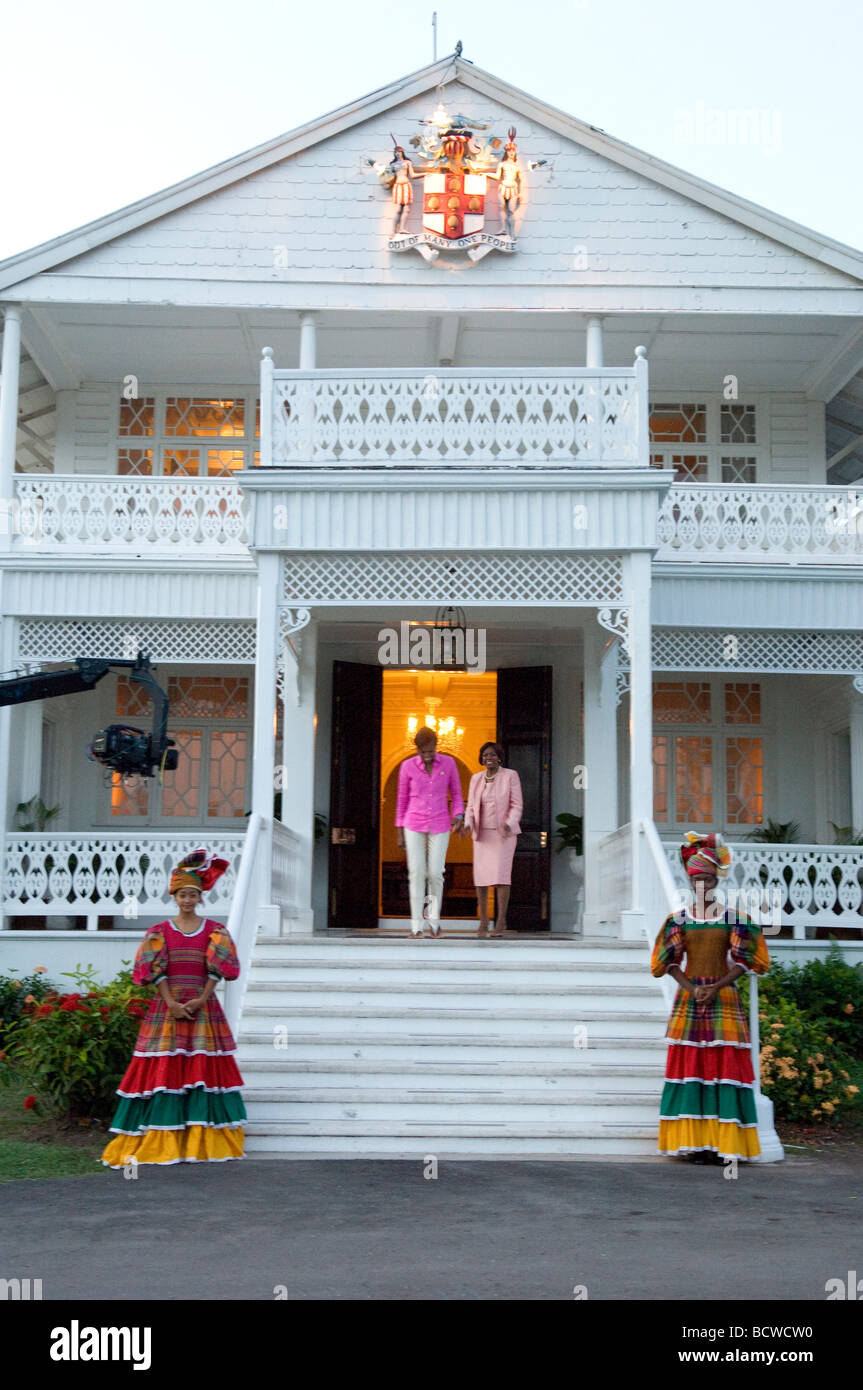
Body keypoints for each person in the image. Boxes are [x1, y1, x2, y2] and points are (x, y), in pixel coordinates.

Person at [100, 848, 246, 1168]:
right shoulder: (160, 932)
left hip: (202, 1006)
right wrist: (170, 1003)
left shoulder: (215, 931)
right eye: (182, 894)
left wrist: (202, 999)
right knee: (165, 1068)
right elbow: (152, 971)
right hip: (168, 1007)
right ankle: (162, 1137)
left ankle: (199, 1139)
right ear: (174, 896)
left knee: (200, 1070)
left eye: (193, 894)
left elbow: (219, 971)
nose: (188, 899)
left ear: (200, 897)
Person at [650, 832, 769, 1164]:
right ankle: (696, 1144)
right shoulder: (679, 920)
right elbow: (665, 964)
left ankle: (723, 1146)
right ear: (689, 882)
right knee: (693, 1070)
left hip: (723, 998)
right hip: (691, 1001)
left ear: (716, 879)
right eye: (695, 880)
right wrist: (692, 988)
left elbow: (749, 963)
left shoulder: (734, 919)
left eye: (706, 879)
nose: (701, 885)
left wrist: (714, 987)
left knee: (723, 1070)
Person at [396, 727, 464, 937]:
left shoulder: (448, 764)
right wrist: (399, 831)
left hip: (440, 822)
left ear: (436, 746)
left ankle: (434, 922)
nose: (427, 755)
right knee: (416, 873)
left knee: (435, 873)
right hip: (413, 823)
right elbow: (402, 799)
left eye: (430, 750)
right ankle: (416, 926)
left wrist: (459, 815)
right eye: (422, 751)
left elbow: (456, 793)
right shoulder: (407, 766)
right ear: (417, 749)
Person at [463, 742, 523, 937]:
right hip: (482, 835)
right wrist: (467, 824)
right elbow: (471, 807)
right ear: (481, 758)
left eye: (492, 755)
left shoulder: (510, 776)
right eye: (485, 755)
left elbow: (517, 804)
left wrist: (509, 822)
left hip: (503, 835)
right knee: (481, 879)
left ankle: (501, 920)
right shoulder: (476, 779)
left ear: (499, 757)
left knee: (501, 877)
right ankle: (483, 920)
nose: (488, 758)